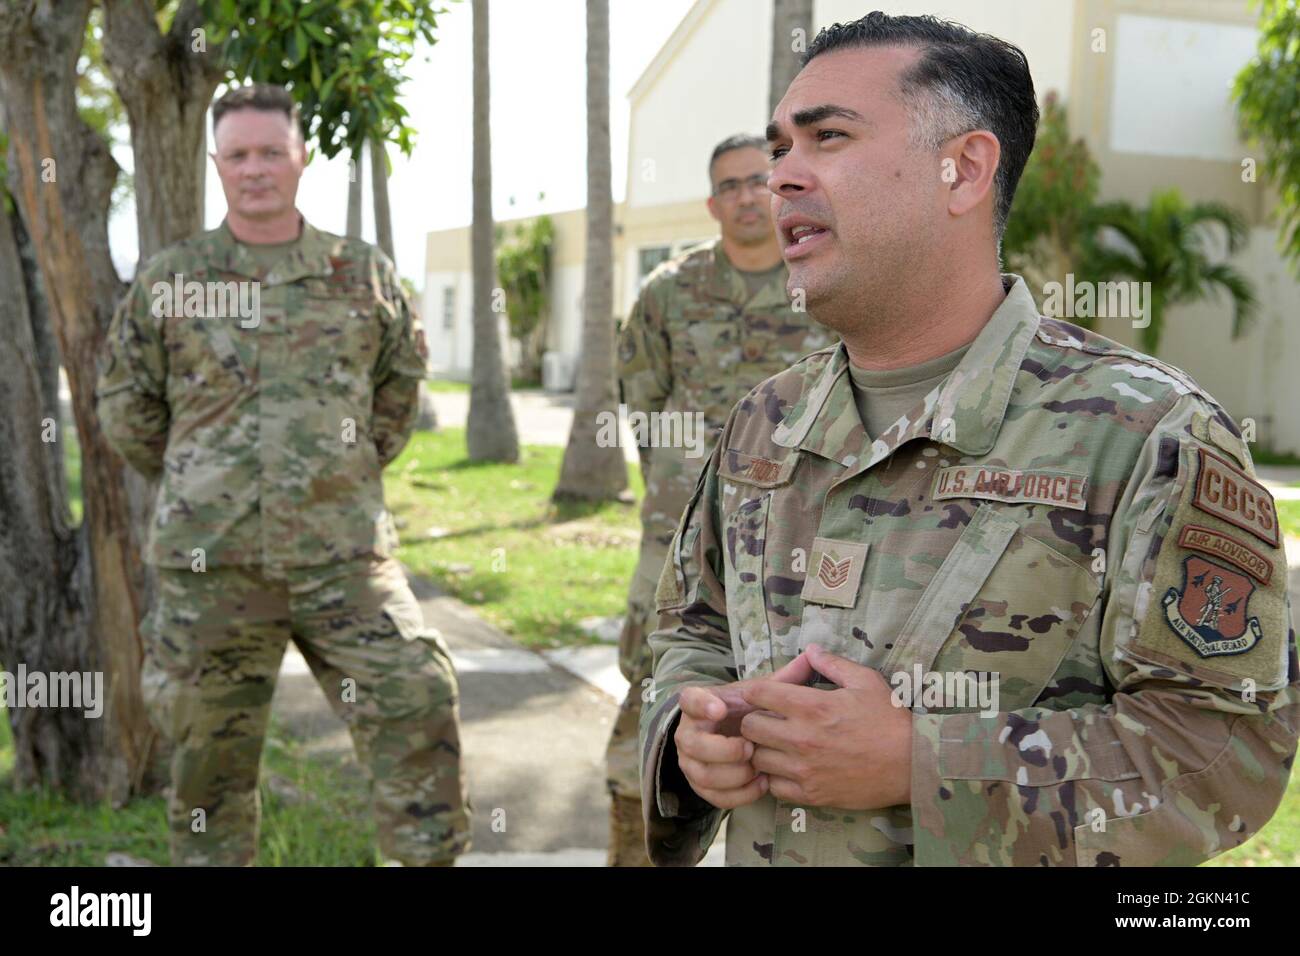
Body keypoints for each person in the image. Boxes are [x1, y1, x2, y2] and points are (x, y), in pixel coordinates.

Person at [638, 12, 1299, 866]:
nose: (781, 179)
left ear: (965, 170)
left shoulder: (1151, 436)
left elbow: (1226, 754)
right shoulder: (764, 421)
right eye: (778, 152)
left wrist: (923, 763)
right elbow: (691, 631)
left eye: (827, 137)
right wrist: (692, 735)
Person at [95, 83, 471, 866]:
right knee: (207, 769)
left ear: (302, 157)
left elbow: (395, 400)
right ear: (216, 165)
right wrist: (209, 476)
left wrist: (334, 474)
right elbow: (128, 409)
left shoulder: (361, 273)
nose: (255, 169)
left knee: (416, 702)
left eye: (272, 151)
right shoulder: (172, 278)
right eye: (238, 155)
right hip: (212, 568)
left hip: (344, 560)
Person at [605, 134, 834, 864]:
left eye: (755, 182)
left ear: (780, 190)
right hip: (678, 536)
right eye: (728, 185)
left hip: (803, 538)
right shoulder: (667, 293)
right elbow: (643, 404)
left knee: (796, 694)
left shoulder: (823, 286)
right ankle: (637, 836)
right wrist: (679, 488)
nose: (743, 196)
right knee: (657, 686)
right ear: (712, 202)